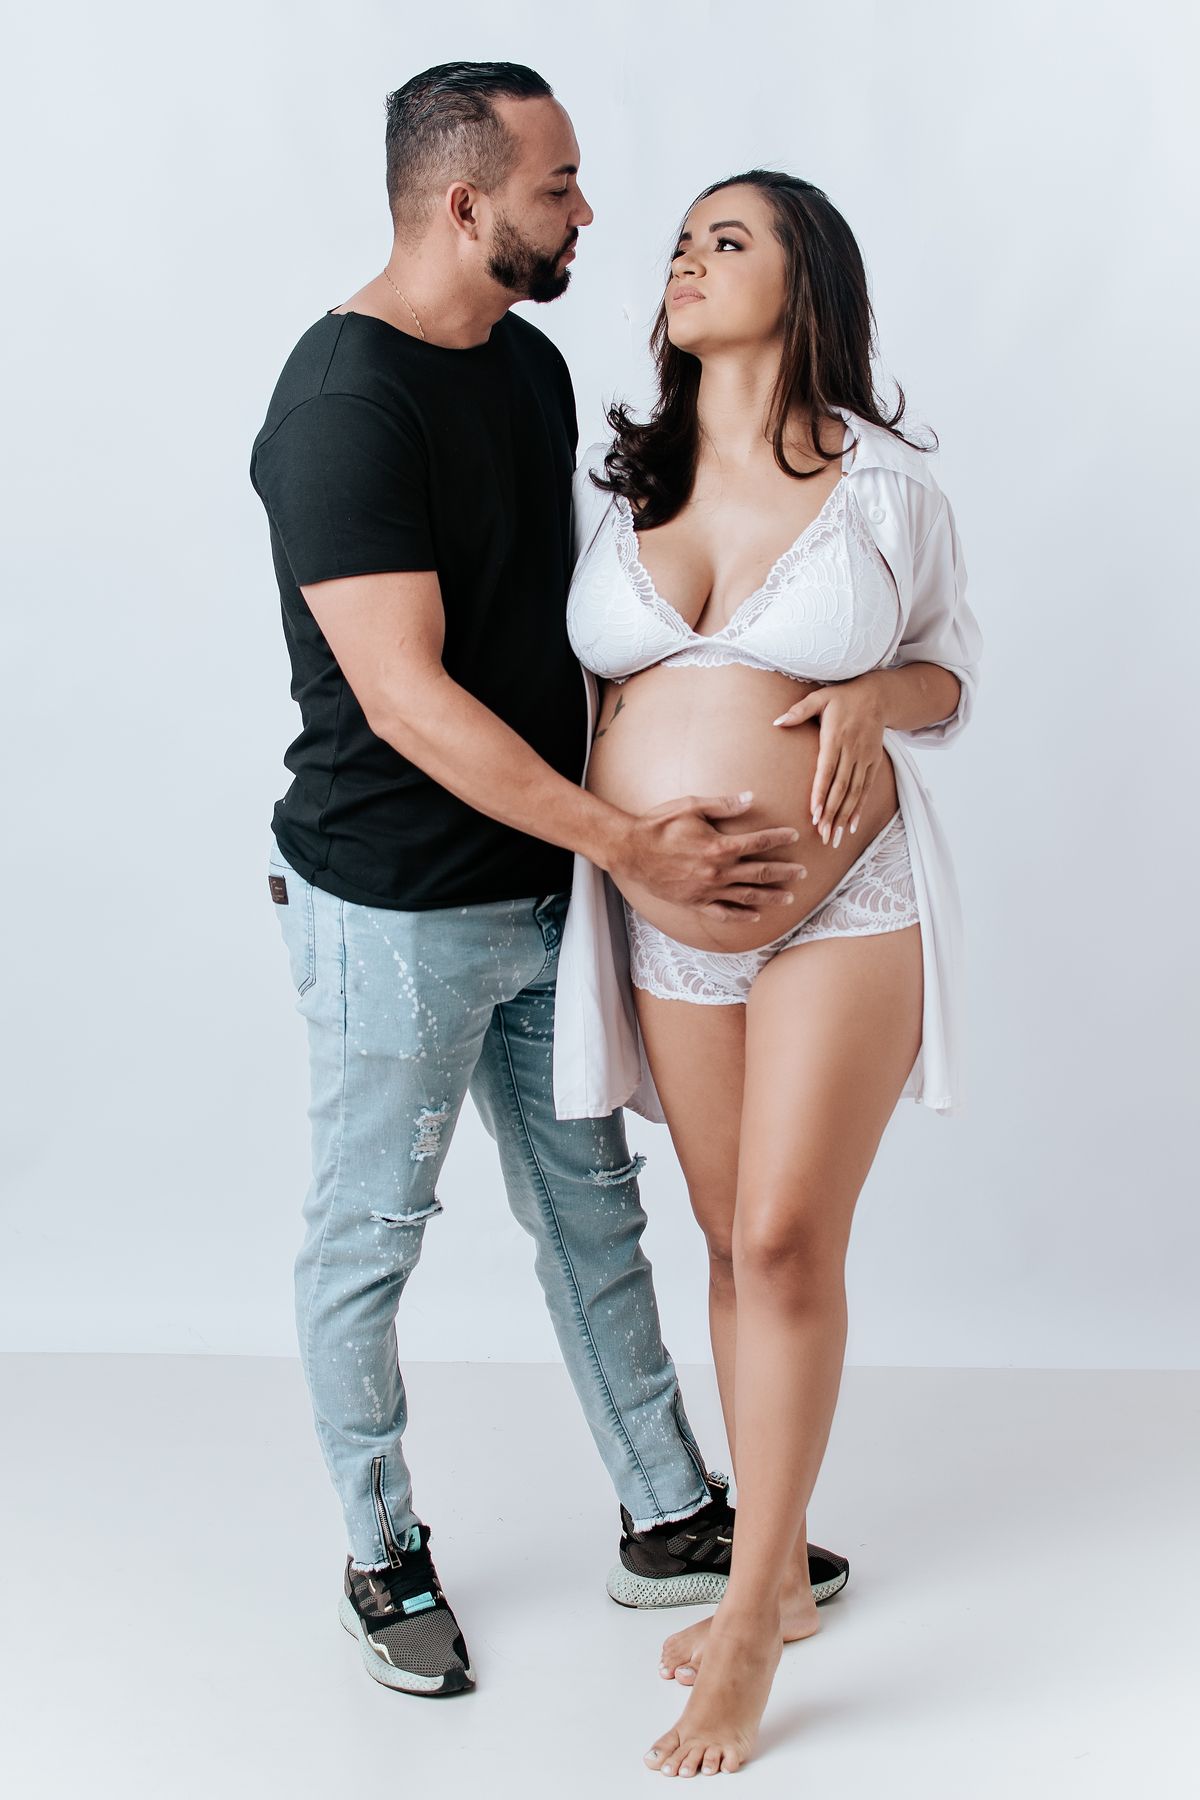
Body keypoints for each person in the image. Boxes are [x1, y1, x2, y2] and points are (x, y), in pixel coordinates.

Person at [250, 67, 849, 1699]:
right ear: (466, 205)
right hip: (397, 913)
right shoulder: (341, 409)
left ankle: (669, 1512)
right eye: (559, 186)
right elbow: (406, 696)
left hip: (549, 892)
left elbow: (569, 627)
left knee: (596, 1215)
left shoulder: (524, 363)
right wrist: (631, 841)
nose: (590, 214)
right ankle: (381, 1549)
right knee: (370, 1237)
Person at [557, 170, 982, 1772]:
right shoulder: (623, 486)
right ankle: (780, 1564)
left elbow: (953, 671)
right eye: (680, 242)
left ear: (806, 285)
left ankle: (747, 1622)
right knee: (731, 1239)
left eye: (726, 241)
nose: (686, 261)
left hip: (844, 897)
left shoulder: (884, 490)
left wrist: (878, 694)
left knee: (793, 1236)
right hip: (663, 920)